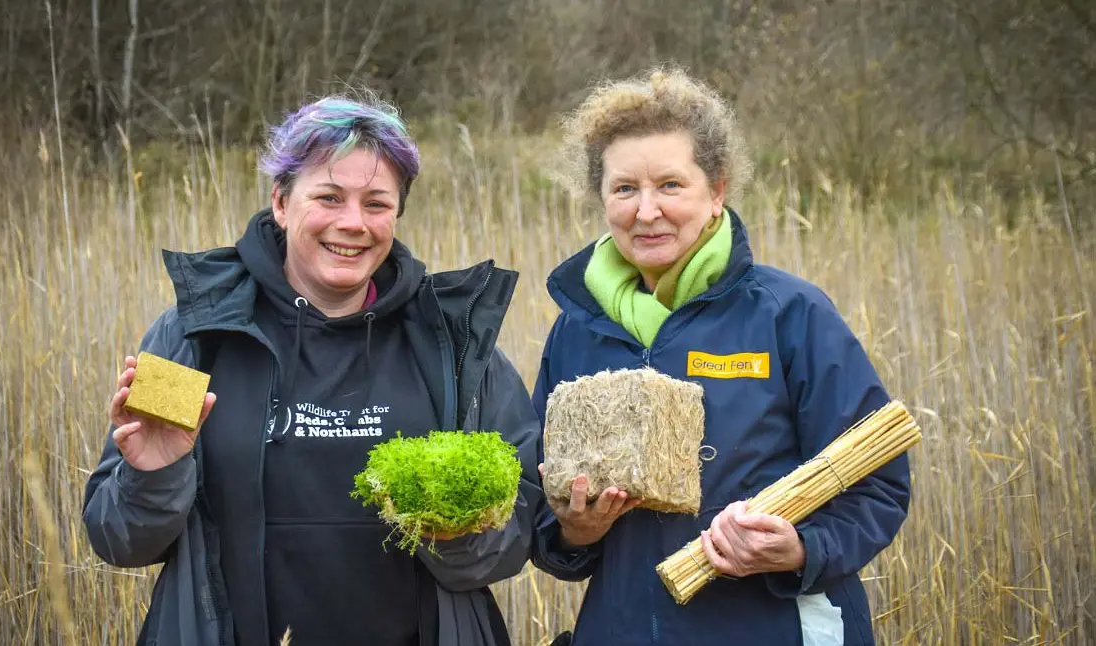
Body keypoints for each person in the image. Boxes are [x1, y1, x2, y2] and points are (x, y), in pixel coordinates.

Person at [82, 91, 542, 646]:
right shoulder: (196, 333)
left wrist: (452, 529)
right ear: (280, 202)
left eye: (376, 203)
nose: (353, 223)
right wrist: (154, 475)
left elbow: (515, 539)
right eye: (328, 197)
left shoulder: (452, 343)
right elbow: (119, 541)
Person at [529, 67, 911, 645]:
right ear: (602, 198)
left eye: (671, 185)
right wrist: (574, 531)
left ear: (717, 191)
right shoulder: (576, 331)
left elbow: (878, 484)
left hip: (775, 628)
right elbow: (543, 520)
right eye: (625, 188)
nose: (646, 210)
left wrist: (801, 549)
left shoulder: (789, 314)